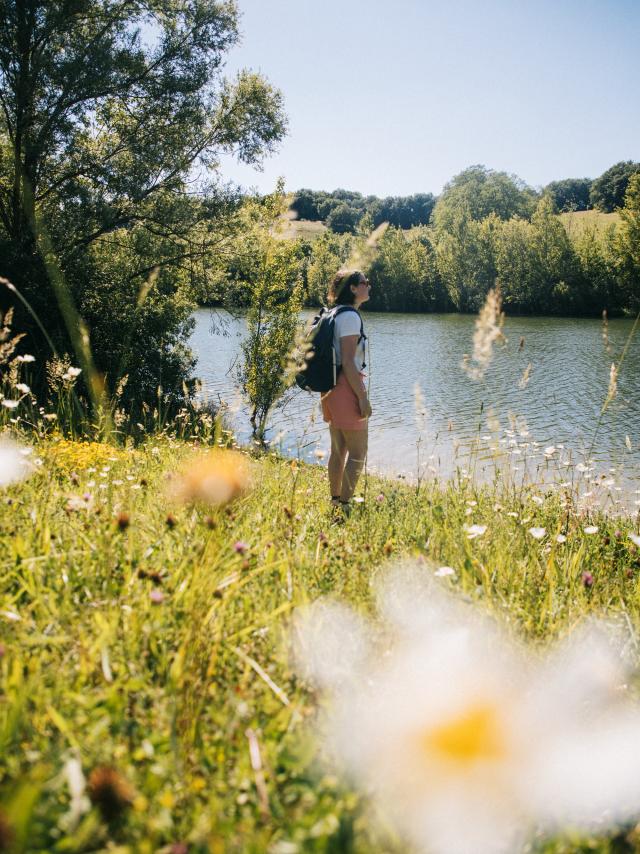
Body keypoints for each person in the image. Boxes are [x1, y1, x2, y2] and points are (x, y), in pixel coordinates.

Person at [321, 269, 372, 513]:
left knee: (338, 450)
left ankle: (335, 502)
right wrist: (362, 397)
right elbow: (349, 362)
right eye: (364, 282)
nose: (368, 285)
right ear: (352, 288)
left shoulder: (333, 313)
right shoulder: (350, 317)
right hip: (347, 387)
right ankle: (344, 507)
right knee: (358, 453)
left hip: (330, 387)